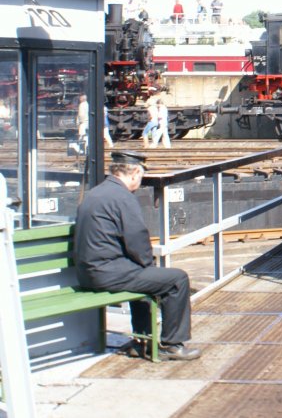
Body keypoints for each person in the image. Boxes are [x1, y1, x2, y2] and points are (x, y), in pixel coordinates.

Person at [73, 150, 201, 361]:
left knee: (143, 276)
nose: (140, 182)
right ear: (133, 174)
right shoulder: (123, 198)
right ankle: (172, 345)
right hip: (106, 273)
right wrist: (149, 265)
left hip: (88, 272)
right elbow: (136, 240)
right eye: (141, 177)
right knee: (177, 280)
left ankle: (142, 341)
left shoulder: (95, 193)